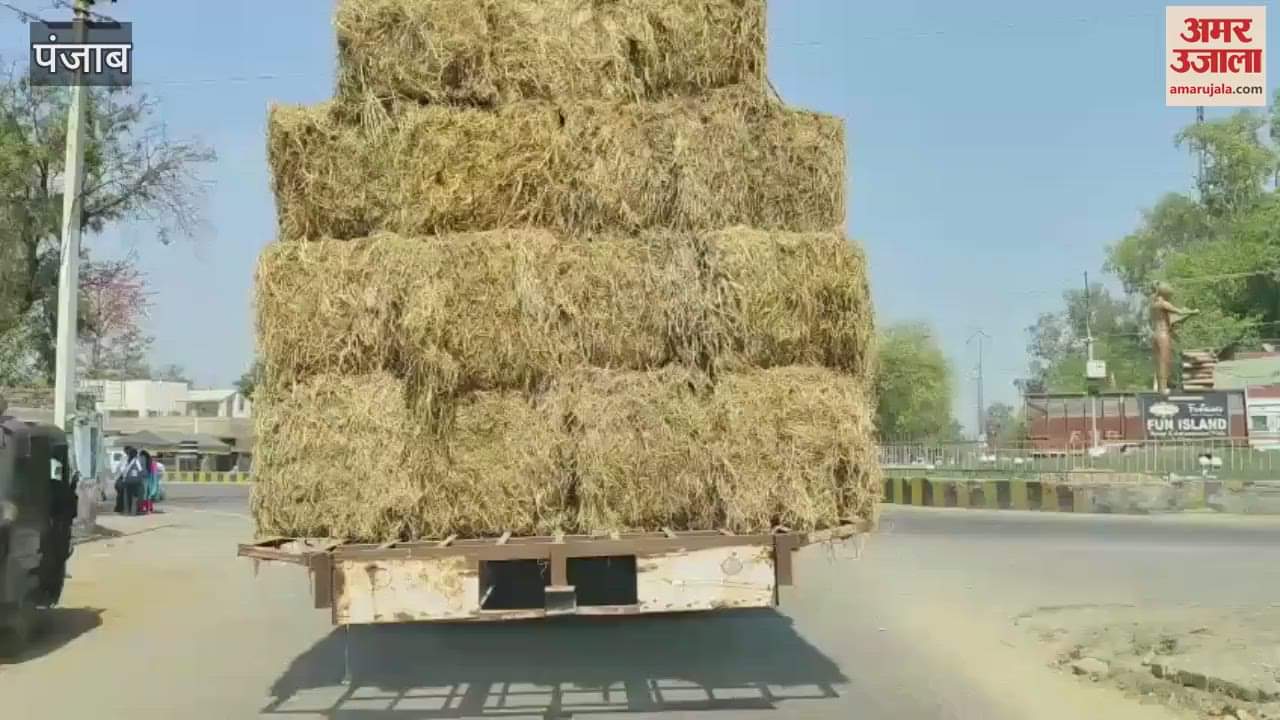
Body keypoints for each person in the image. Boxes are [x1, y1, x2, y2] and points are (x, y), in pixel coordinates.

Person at [116, 446, 145, 515]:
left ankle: (128, 510)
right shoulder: (138, 460)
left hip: (127, 481)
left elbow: (122, 470)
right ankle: (136, 511)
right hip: (137, 481)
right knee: (137, 496)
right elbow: (141, 470)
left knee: (127, 496)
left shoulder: (127, 460)